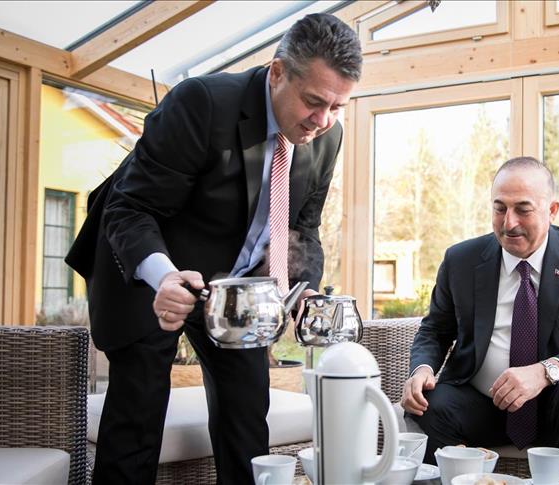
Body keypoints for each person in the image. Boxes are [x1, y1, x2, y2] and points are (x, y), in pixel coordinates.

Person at [65, 13, 362, 484]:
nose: (322, 120)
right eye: (313, 101)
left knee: (247, 414)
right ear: (278, 72)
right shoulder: (202, 103)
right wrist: (163, 276)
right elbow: (130, 207)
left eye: (337, 107)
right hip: (150, 272)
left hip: (236, 288)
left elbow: (303, 228)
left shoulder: (328, 138)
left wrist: (301, 288)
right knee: (137, 416)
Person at [400, 156, 559, 482]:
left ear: (552, 210)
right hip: (480, 404)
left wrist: (545, 371)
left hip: (555, 405)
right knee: (429, 404)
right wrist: (422, 368)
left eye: (523, 209)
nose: (509, 223)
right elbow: (435, 329)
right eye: (499, 209)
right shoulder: (460, 260)